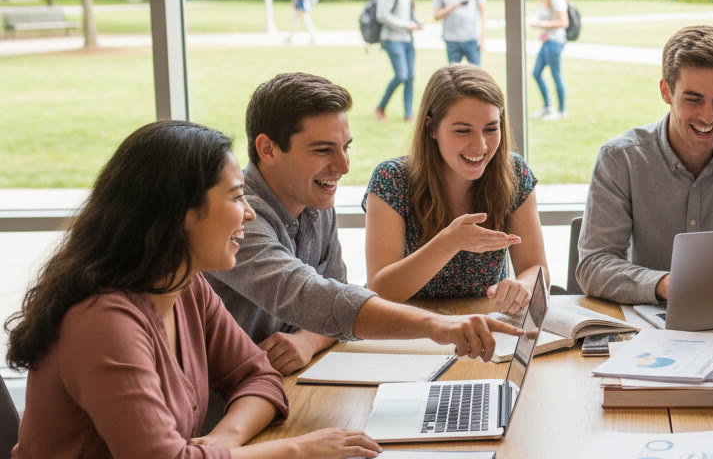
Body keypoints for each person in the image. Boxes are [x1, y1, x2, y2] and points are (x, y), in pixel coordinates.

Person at [0, 121, 383, 459]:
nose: (250, 214)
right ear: (181, 211)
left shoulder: (186, 288)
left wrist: (222, 442)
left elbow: (258, 376)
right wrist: (299, 451)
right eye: (236, 196)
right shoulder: (102, 322)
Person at [206, 72, 521, 375]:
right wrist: (437, 325)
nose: (343, 166)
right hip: (227, 402)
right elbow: (311, 296)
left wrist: (309, 338)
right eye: (323, 150)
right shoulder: (236, 217)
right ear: (268, 149)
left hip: (280, 382)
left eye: (345, 147)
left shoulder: (312, 197)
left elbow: (336, 299)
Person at [577, 25, 713, 304]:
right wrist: (664, 284)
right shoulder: (620, 159)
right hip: (649, 325)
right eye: (694, 99)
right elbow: (594, 265)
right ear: (666, 91)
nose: (708, 116)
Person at [363, 65, 546, 311]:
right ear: (431, 127)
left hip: (482, 327)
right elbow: (380, 291)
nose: (480, 145)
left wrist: (521, 286)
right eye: (463, 131)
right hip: (408, 332)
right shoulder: (391, 179)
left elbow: (537, 270)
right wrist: (448, 242)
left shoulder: (514, 172)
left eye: (491, 129)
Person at [375, 0, 422, 122]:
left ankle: (409, 115)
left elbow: (406, 14)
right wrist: (404, 25)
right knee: (401, 75)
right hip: (392, 39)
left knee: (410, 77)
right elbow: (382, 15)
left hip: (407, 39)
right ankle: (380, 107)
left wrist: (415, 22)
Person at [528, 0, 569, 120]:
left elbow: (563, 22)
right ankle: (547, 107)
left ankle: (562, 111)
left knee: (556, 76)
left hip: (555, 43)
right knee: (536, 73)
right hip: (547, 41)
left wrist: (538, 23)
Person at [432, 0, 487, 66]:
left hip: (471, 39)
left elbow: (483, 13)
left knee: (475, 75)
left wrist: (482, 38)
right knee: (454, 76)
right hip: (452, 40)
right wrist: (451, 8)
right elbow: (436, 16)